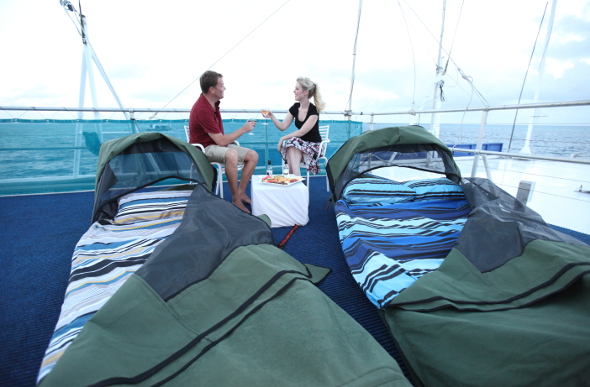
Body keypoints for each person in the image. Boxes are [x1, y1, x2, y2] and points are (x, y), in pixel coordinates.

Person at [189, 70, 259, 213]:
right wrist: (244, 129)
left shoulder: (213, 103)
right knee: (231, 154)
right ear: (212, 89)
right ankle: (236, 200)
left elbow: (220, 139)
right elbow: (221, 141)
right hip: (203, 148)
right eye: (222, 85)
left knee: (253, 156)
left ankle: (241, 192)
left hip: (214, 144)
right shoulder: (202, 109)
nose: (224, 88)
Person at [263, 76, 325, 176]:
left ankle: (294, 178)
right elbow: (282, 126)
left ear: (306, 92)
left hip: (314, 146)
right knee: (292, 145)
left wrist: (283, 138)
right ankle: (296, 178)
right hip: (299, 145)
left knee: (292, 143)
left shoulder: (314, 111)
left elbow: (301, 132)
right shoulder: (295, 107)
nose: (294, 91)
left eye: (297, 89)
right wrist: (272, 117)